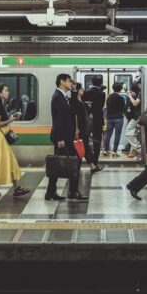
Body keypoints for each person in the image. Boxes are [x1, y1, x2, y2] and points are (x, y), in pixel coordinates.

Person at [0, 83, 29, 198]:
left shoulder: (2, 105)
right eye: (6, 90)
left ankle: (14, 187)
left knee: (3, 160)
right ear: (0, 93)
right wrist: (11, 120)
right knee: (0, 160)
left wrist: (11, 118)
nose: (8, 92)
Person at [46, 73, 87, 201]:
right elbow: (58, 119)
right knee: (73, 161)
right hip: (62, 137)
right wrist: (60, 139)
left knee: (58, 163)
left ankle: (51, 192)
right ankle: (72, 191)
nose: (72, 84)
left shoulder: (64, 97)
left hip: (66, 136)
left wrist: (74, 92)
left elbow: (72, 113)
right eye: (69, 81)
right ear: (61, 81)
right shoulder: (57, 97)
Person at [70, 82, 103, 174]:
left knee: (85, 147)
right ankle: (90, 166)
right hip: (79, 129)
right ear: (77, 90)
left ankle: (91, 166)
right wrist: (76, 128)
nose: (83, 90)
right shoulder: (75, 102)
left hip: (84, 128)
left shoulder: (82, 102)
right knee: (83, 147)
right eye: (81, 88)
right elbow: (75, 116)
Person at [82, 75, 106, 168]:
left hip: (87, 121)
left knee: (85, 140)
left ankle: (89, 160)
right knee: (97, 142)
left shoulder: (86, 92)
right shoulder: (102, 94)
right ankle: (95, 162)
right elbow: (101, 106)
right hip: (98, 120)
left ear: (92, 82)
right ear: (101, 83)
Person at [103, 82, 126, 156]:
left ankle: (106, 150)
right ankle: (114, 151)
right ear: (120, 89)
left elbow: (107, 106)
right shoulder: (121, 98)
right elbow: (123, 108)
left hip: (109, 118)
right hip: (118, 118)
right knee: (117, 135)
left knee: (108, 134)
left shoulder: (109, 97)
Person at [124, 81, 142, 159]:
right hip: (137, 116)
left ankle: (140, 150)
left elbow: (135, 104)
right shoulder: (139, 93)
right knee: (135, 134)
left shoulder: (141, 93)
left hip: (137, 117)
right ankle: (133, 152)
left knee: (129, 133)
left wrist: (130, 96)